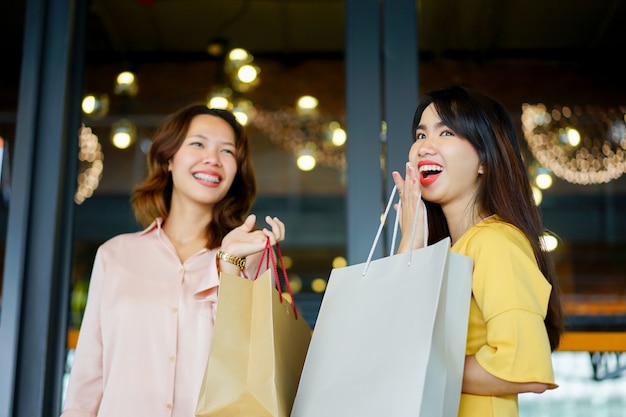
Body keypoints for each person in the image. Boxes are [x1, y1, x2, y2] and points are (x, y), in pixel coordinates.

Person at [61, 104, 286, 417]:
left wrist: (229, 266)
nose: (213, 158)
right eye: (198, 144)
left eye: (227, 152)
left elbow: (254, 364)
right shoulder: (115, 255)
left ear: (236, 172)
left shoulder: (251, 258)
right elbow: (88, 377)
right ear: (168, 158)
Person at [392, 86, 563, 417]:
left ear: (484, 159)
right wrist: (410, 240)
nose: (425, 146)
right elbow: (396, 334)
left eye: (446, 132)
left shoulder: (495, 242)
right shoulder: (451, 251)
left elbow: (523, 367)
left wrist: (420, 367)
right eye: (420, 133)